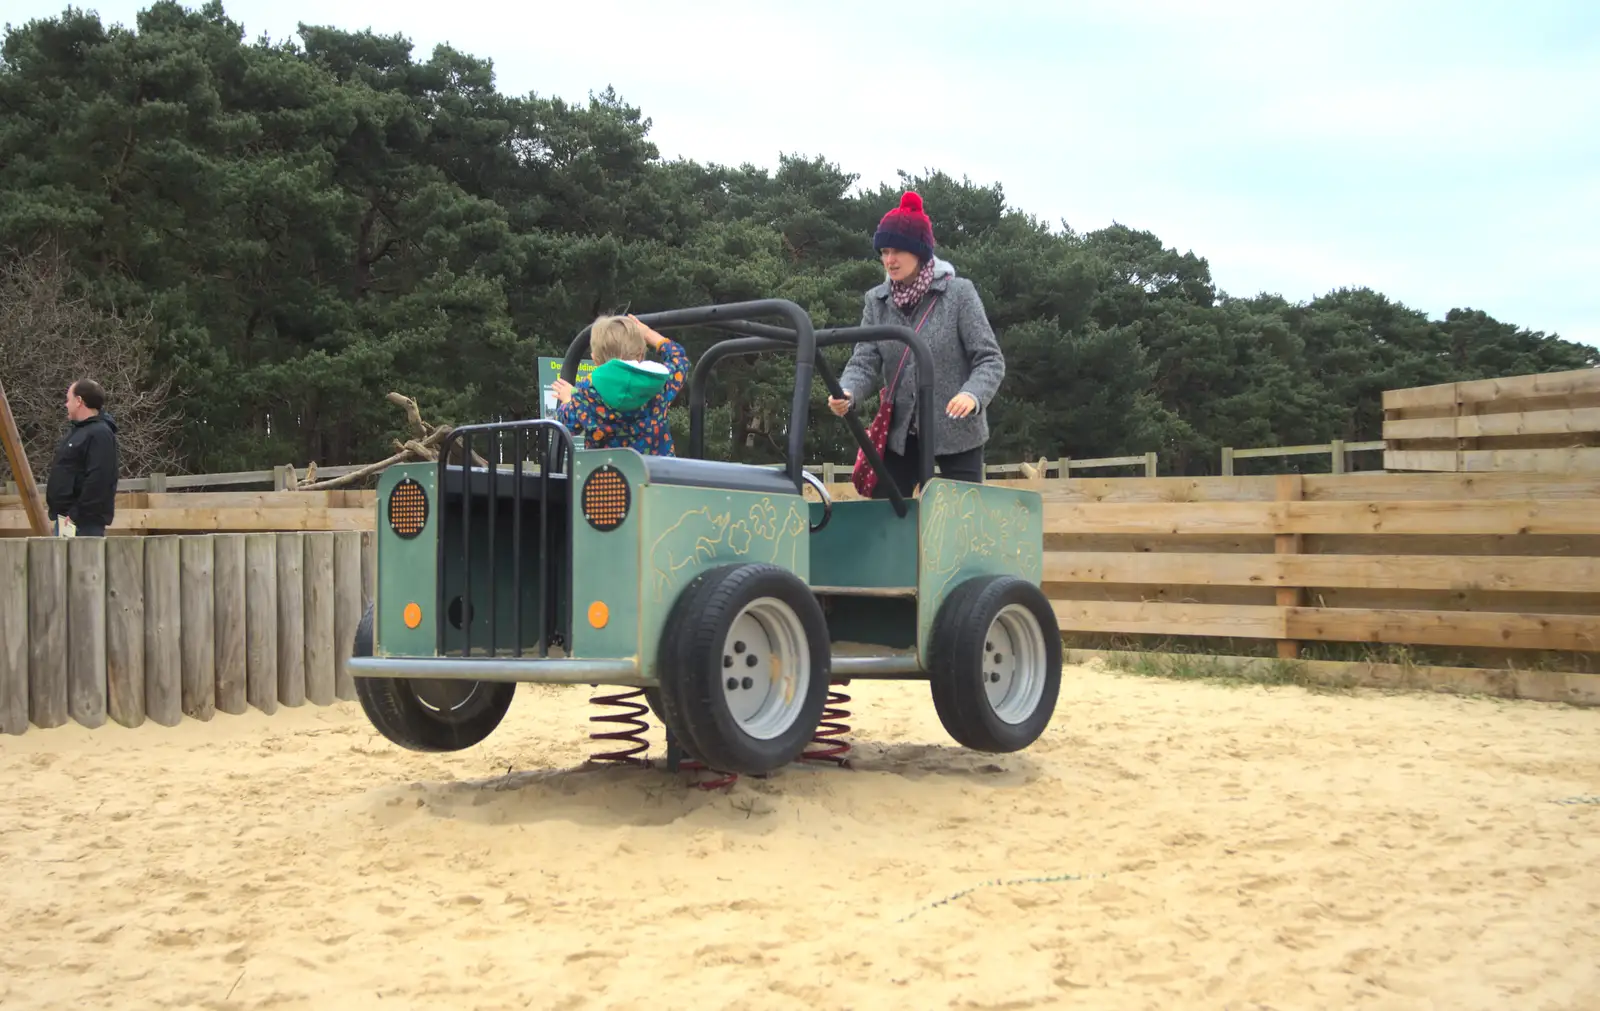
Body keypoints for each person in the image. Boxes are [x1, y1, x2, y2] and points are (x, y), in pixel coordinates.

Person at [831, 191, 1005, 498]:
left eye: (897, 250)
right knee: (885, 512)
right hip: (901, 433)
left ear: (919, 251)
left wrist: (972, 395)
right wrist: (848, 391)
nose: (889, 260)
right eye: (884, 251)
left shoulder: (959, 294)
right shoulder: (877, 300)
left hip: (957, 429)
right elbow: (864, 361)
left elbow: (989, 359)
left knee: (961, 518)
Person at [554, 314, 689, 456]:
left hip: (608, 475)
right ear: (641, 355)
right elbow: (680, 360)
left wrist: (569, 398)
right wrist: (649, 334)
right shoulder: (659, 383)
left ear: (595, 360)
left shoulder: (587, 392)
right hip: (656, 474)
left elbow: (567, 424)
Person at [44, 378, 120, 537]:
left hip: (82, 523)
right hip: (67, 519)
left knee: (82, 562)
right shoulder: (77, 432)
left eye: (68, 399)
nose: (66, 404)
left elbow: (99, 479)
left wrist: (76, 513)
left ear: (79, 401)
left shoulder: (100, 434)